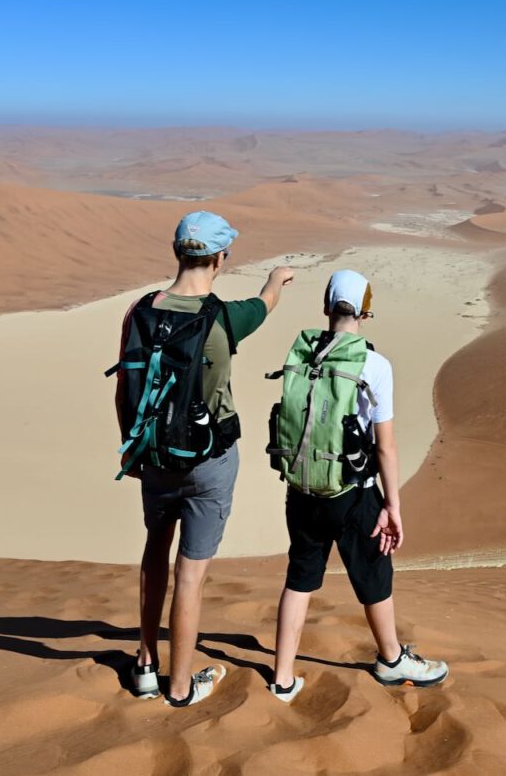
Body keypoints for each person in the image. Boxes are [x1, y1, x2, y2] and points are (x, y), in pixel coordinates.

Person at [117, 210, 294, 707]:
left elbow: (125, 388)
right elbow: (266, 303)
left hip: (153, 457)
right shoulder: (224, 316)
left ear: (178, 251)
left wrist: (134, 450)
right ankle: (180, 686)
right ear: (218, 258)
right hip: (209, 460)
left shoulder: (140, 311)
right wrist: (276, 278)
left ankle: (147, 663)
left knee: (156, 552)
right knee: (190, 574)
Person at [269, 270, 448, 702]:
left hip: (301, 489)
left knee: (301, 576)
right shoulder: (375, 365)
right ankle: (390, 660)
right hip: (353, 491)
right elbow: (385, 446)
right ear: (366, 309)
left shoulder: (304, 354)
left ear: (326, 307)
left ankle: (282, 677)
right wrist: (393, 506)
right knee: (373, 572)